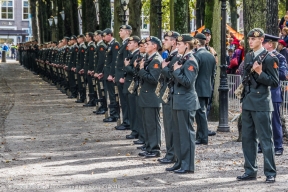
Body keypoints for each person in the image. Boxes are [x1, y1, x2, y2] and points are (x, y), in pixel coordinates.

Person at [237, 28, 278, 183]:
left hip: (261, 103)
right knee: (248, 139)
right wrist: (242, 101)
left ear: (262, 40)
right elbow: (245, 80)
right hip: (248, 102)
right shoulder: (248, 56)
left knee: (265, 139)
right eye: (249, 39)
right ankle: (250, 170)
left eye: (254, 39)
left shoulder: (269, 58)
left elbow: (274, 82)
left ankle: (270, 172)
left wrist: (260, 72)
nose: (250, 41)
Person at [165, 34, 200, 174]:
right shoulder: (182, 59)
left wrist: (177, 71)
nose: (177, 46)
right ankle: (179, 162)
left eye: (179, 44)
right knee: (178, 133)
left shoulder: (191, 61)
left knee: (186, 134)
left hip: (186, 101)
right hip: (177, 100)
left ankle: (188, 165)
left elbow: (187, 82)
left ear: (187, 45)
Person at [260, 34, 287, 156]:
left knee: (275, 120)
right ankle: (262, 144)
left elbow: (283, 74)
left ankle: (278, 146)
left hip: (273, 92)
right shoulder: (259, 56)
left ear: (270, 44)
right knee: (261, 121)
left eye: (264, 42)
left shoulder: (280, 57)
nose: (262, 44)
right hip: (261, 93)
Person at [138, 36, 163, 158]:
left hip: (152, 97)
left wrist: (141, 70)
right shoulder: (149, 59)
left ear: (154, 46)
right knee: (147, 124)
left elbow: (153, 79)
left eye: (148, 44)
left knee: (153, 124)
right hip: (146, 96)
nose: (145, 45)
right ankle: (149, 147)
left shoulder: (156, 60)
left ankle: (154, 149)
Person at [160, 31, 180, 164]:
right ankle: (170, 152)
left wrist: (164, 68)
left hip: (172, 94)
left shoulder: (177, 57)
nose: (164, 42)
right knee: (167, 124)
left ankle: (172, 153)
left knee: (171, 125)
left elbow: (173, 75)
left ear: (174, 42)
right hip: (167, 93)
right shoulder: (170, 56)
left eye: (166, 39)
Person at [193, 32, 216, 145]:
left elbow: (194, 74)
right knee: (201, 113)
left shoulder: (197, 56)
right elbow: (214, 73)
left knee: (200, 113)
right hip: (207, 87)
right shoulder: (210, 55)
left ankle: (203, 137)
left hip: (198, 88)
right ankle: (201, 135)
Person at [115, 25, 132, 130]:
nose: (119, 32)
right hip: (119, 77)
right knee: (123, 100)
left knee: (125, 101)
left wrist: (123, 76)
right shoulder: (123, 44)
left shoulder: (127, 45)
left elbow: (127, 62)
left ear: (127, 32)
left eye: (121, 30)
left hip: (123, 77)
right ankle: (126, 120)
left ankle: (127, 121)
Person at [123, 36, 141, 139]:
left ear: (135, 44)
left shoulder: (136, 56)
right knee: (131, 108)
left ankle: (135, 131)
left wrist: (127, 66)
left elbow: (135, 72)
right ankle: (134, 129)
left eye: (130, 43)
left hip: (133, 85)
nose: (128, 45)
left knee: (134, 110)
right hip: (130, 84)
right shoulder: (132, 55)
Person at [102, 28, 120, 122]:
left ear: (109, 35)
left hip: (110, 74)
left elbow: (114, 61)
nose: (104, 38)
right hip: (107, 73)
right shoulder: (109, 45)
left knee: (113, 95)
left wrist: (111, 74)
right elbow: (107, 62)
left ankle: (115, 114)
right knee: (111, 95)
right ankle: (112, 113)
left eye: (105, 36)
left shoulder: (115, 44)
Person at [83, 32, 97, 107]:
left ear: (90, 37)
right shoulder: (89, 46)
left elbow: (91, 59)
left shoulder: (91, 46)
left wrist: (91, 69)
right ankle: (91, 99)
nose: (85, 37)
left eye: (87, 36)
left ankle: (93, 100)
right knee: (90, 85)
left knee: (92, 85)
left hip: (90, 70)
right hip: (87, 69)